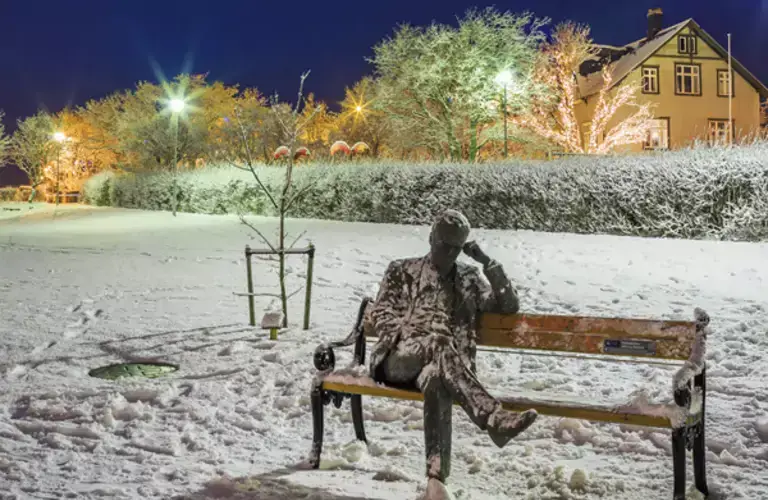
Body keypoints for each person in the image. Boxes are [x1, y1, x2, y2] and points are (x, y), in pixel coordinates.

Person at [368, 209, 538, 485]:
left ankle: (436, 477)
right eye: (443, 245)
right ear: (431, 237)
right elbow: (382, 313)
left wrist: (487, 262)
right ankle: (493, 417)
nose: (447, 253)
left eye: (455, 249)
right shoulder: (402, 270)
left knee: (437, 380)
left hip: (443, 367)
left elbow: (508, 306)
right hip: (398, 360)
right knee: (437, 341)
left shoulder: (469, 278)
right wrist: (411, 337)